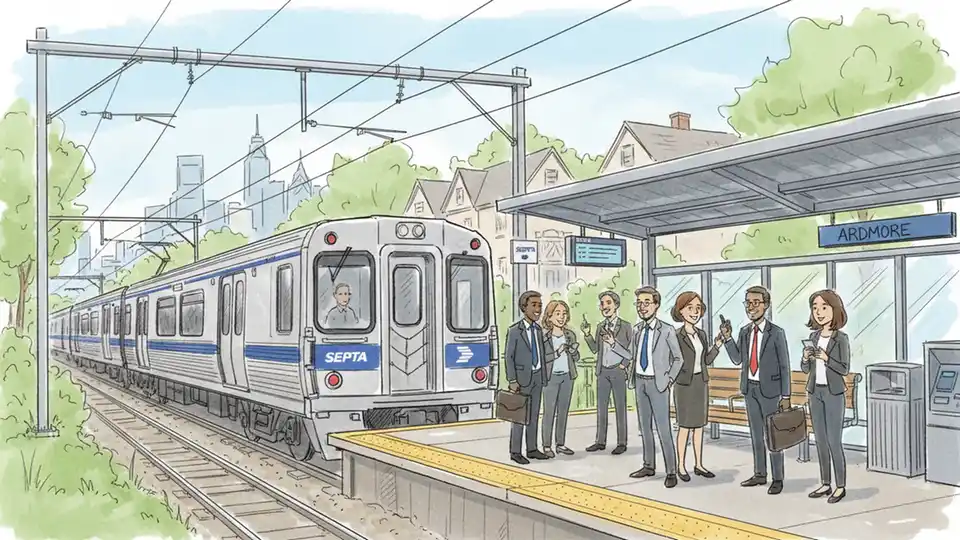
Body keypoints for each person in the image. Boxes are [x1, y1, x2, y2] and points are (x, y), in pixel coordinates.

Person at [719, 285, 792, 495]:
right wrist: (727, 338)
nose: (751, 307)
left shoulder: (776, 333)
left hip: (770, 391)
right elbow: (737, 359)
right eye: (748, 303)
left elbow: (785, 365)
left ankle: (777, 478)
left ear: (766, 305)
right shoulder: (744, 332)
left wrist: (786, 395)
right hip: (750, 389)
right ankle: (760, 474)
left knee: (773, 436)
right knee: (756, 435)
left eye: (756, 303)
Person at [609, 286, 683, 488]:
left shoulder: (667, 330)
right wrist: (613, 344)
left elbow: (678, 359)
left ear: (656, 305)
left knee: (663, 429)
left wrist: (669, 379)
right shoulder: (637, 330)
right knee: (645, 428)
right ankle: (648, 465)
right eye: (639, 303)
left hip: (658, 384)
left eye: (646, 303)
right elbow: (631, 355)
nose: (642, 307)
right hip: (640, 381)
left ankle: (671, 471)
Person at [801, 289, 851, 504]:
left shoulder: (841, 338)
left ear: (834, 309)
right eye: (815, 308)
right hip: (815, 392)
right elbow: (805, 369)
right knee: (820, 440)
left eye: (824, 307)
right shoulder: (813, 337)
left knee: (833, 441)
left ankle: (840, 486)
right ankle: (825, 483)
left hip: (833, 393)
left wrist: (826, 358)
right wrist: (806, 358)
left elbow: (844, 368)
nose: (819, 312)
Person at [671, 291, 722, 482]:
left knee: (699, 426)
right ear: (680, 311)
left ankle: (699, 464)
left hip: (701, 383)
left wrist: (717, 345)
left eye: (698, 308)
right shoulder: (676, 335)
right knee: (684, 426)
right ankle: (681, 466)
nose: (695, 312)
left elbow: (706, 360)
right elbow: (672, 360)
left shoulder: (701, 334)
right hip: (684, 385)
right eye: (690, 308)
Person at [581, 291, 633, 455]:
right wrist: (587, 334)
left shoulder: (626, 326)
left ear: (616, 305)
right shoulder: (600, 327)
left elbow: (631, 350)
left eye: (608, 303)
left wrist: (624, 365)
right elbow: (595, 349)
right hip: (602, 371)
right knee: (601, 407)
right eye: (602, 303)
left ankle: (622, 442)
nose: (605, 306)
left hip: (618, 370)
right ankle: (600, 441)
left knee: (620, 407)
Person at [504, 290, 549, 465]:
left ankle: (532, 449)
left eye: (540, 305)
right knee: (518, 416)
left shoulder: (538, 330)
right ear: (524, 307)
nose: (538, 309)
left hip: (537, 377)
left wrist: (543, 376)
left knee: (534, 415)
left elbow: (541, 354)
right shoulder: (515, 330)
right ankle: (515, 451)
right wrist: (512, 380)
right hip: (521, 380)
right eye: (534, 305)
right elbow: (509, 357)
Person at [540, 300, 580, 458]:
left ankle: (560, 444)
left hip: (567, 376)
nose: (561, 317)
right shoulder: (544, 337)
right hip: (550, 377)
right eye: (557, 313)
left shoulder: (570, 335)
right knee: (549, 412)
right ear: (549, 316)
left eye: (564, 313)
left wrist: (573, 351)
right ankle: (546, 445)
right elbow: (542, 358)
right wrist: (557, 352)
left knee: (563, 411)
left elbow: (576, 357)